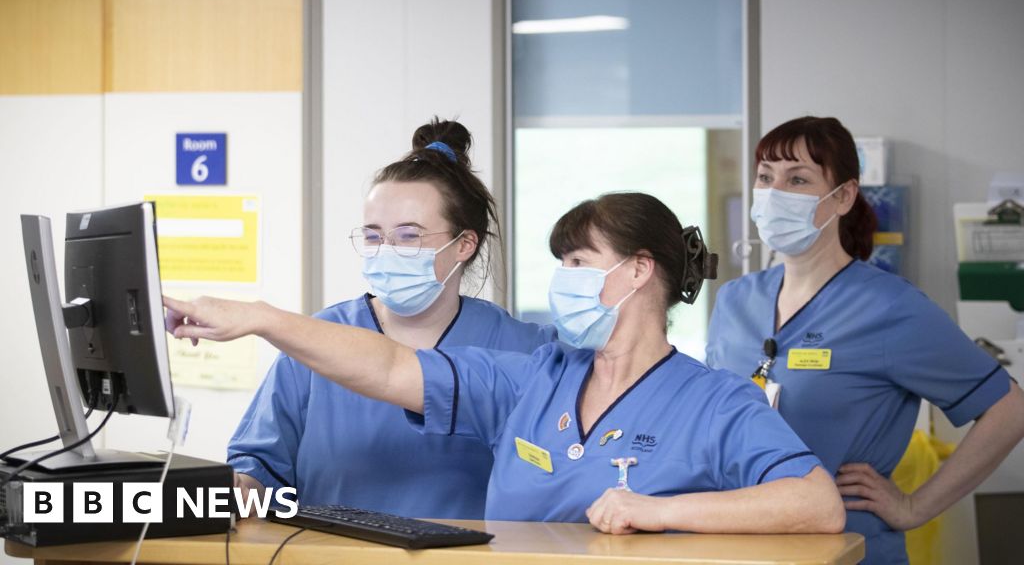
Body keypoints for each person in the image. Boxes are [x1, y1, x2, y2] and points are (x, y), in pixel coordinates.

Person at [165, 192, 846, 535]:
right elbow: (390, 368)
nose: (563, 279)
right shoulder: (534, 376)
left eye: (579, 263)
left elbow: (816, 503)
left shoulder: (714, 401)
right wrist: (261, 317)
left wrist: (663, 511)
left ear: (640, 271)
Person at [705, 116, 1024, 563]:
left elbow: (1009, 409)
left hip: (847, 550)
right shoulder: (735, 301)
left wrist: (916, 506)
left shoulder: (889, 307)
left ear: (844, 196)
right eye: (765, 177)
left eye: (798, 179)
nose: (774, 194)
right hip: (740, 549)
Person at [222, 118, 556, 519]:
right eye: (374, 235)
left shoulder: (523, 348)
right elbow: (260, 472)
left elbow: (559, 479)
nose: (385, 251)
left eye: (408, 236)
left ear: (464, 244)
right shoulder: (316, 342)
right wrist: (238, 491)